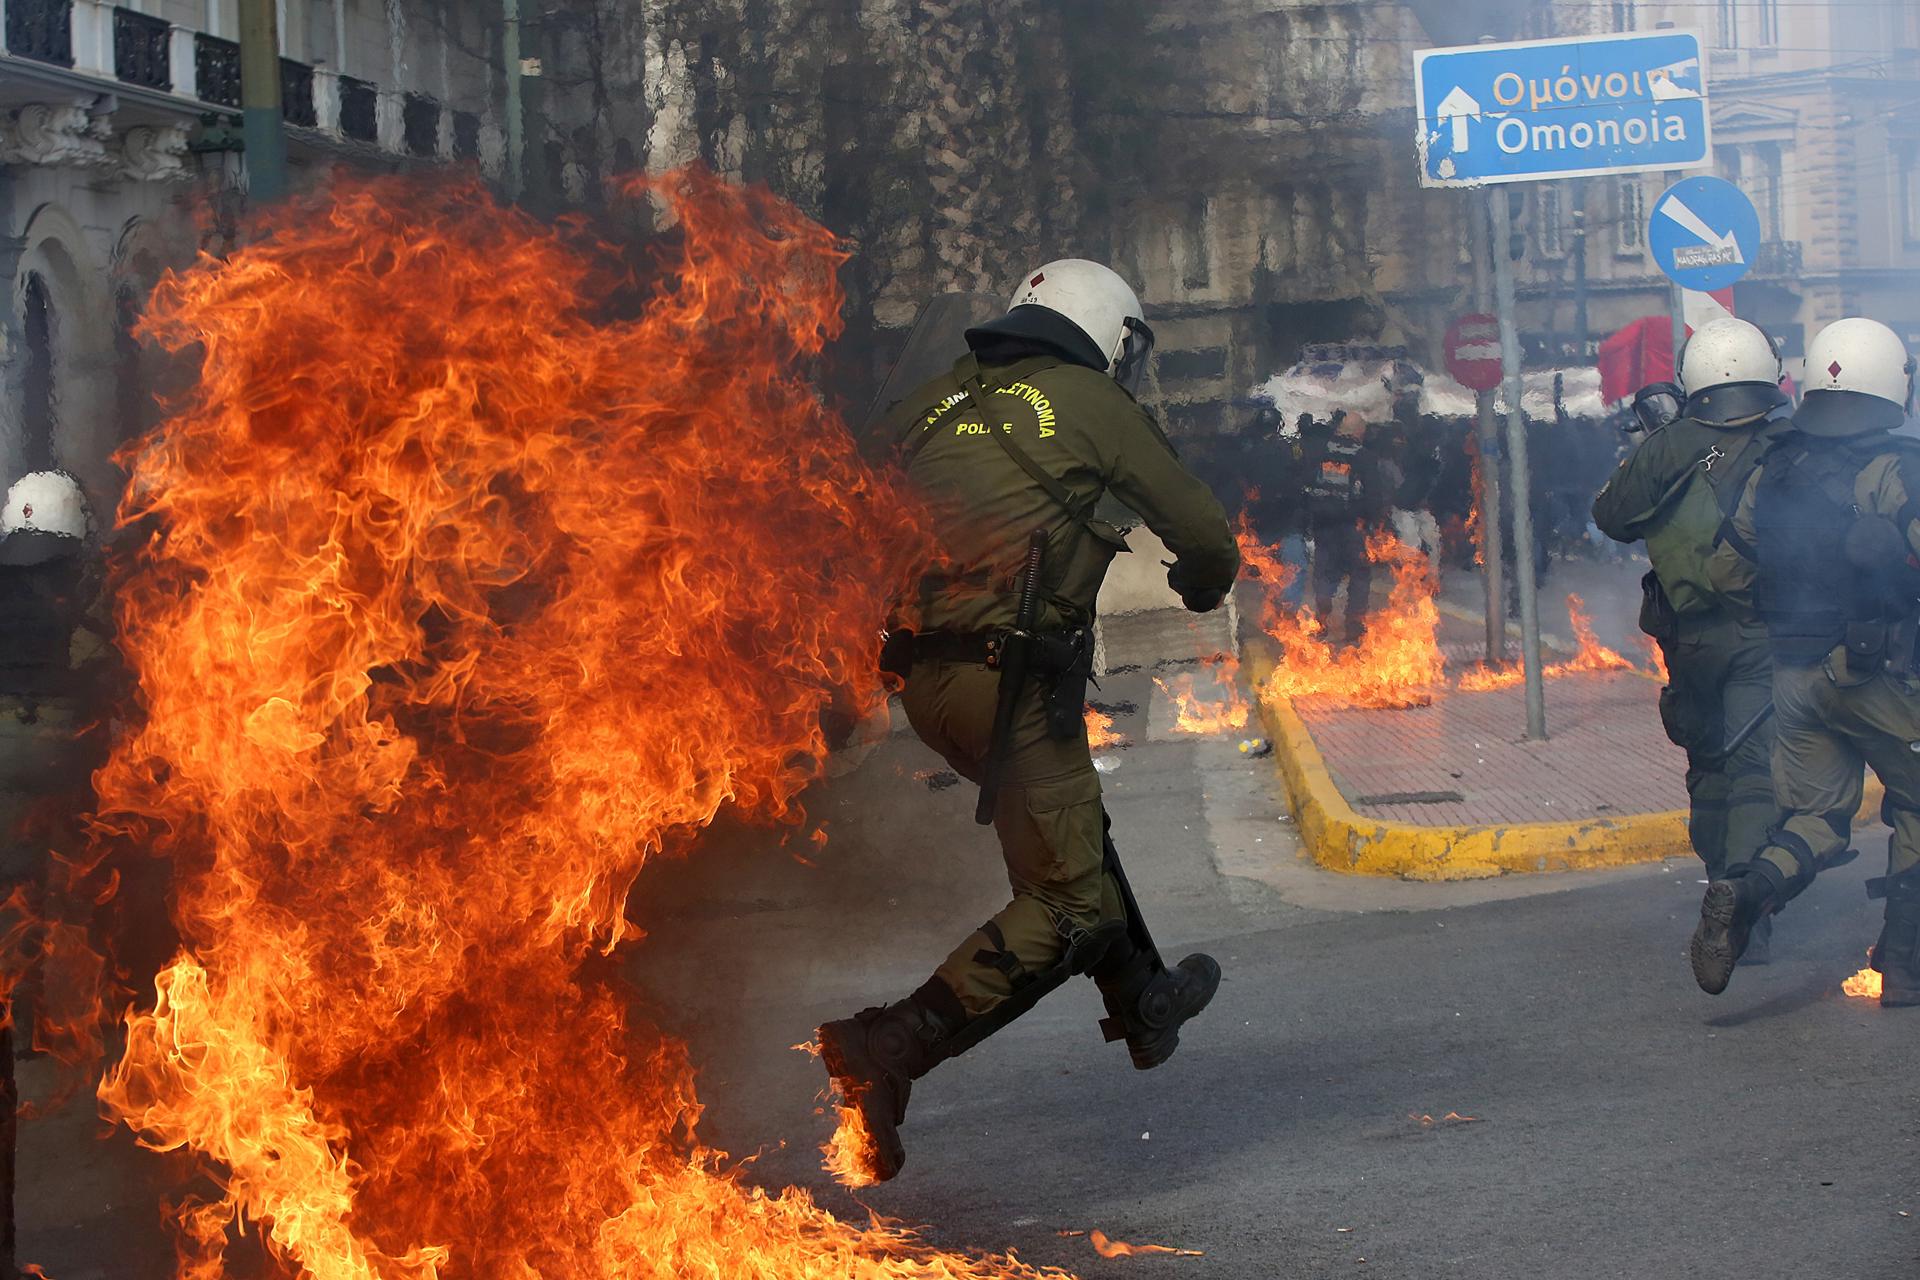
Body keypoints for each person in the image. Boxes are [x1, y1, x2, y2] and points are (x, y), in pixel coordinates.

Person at [817, 260, 1242, 1179]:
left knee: (1070, 829)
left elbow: (841, 513)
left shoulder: (933, 400)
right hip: (1009, 689)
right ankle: (892, 1046)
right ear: (1110, 335)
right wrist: (1200, 586)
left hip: (924, 683)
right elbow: (1206, 537)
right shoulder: (1088, 403)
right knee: (1069, 899)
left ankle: (1143, 996)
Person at [1701, 317, 1920, 1006]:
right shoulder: (1898, 469)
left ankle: (1745, 893)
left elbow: (1727, 571)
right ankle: (1907, 970)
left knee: (1815, 821)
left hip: (1793, 678)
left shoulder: (1774, 463)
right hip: (1877, 675)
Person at [1592, 318, 1790, 959]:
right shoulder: (1788, 438)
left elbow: (1612, 518)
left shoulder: (1668, 446)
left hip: (1691, 640)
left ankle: (1720, 891)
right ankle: (1747, 912)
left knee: (1708, 770)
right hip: (1767, 634)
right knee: (1755, 770)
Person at [1305, 410, 1390, 643]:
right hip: (1353, 526)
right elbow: (1374, 495)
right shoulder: (1364, 456)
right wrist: (1374, 523)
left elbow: (1306, 485)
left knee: (1324, 572)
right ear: (1357, 432)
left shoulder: (1320, 452)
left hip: (1323, 524)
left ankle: (1322, 618)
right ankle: (1353, 623)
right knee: (1359, 574)